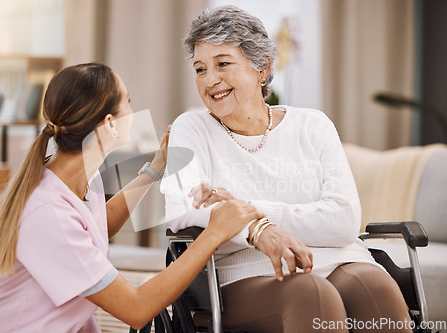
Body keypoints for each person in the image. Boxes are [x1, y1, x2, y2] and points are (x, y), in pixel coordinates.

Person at [0, 63, 264, 332]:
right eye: (127, 102)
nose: (134, 112)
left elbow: (97, 225)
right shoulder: (48, 211)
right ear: (108, 124)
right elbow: (136, 310)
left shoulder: (71, 173)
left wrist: (156, 167)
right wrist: (213, 234)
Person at [161, 6, 412, 333]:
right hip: (246, 273)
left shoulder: (314, 124)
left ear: (262, 67)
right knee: (310, 294)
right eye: (200, 69)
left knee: (378, 291)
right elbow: (181, 208)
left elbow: (344, 220)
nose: (210, 80)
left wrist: (249, 211)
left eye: (223, 63)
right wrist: (259, 231)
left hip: (342, 259)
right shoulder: (189, 127)